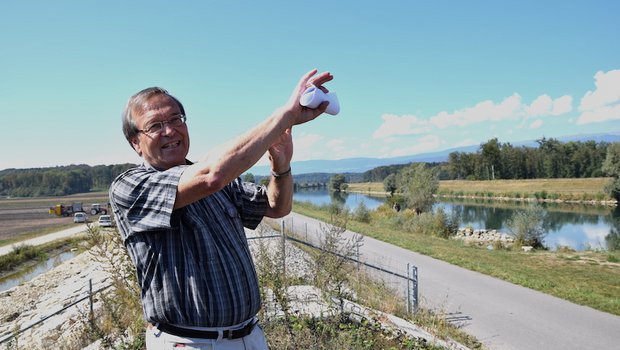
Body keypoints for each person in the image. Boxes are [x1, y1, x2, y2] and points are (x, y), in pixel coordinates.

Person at [109, 69, 334, 349]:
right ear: (135, 143)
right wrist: (285, 116)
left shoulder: (220, 182)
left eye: (176, 119)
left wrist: (281, 166)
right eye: (155, 126)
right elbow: (211, 176)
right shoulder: (130, 187)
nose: (169, 130)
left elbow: (277, 207)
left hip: (249, 336)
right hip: (189, 342)